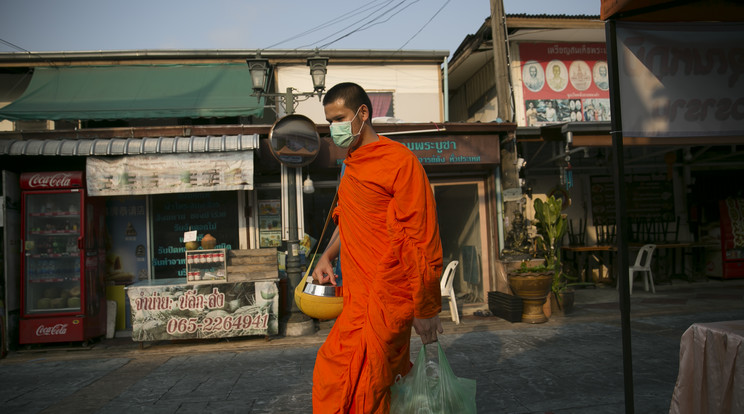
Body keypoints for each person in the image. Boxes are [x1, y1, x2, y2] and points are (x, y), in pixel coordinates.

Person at [311, 82, 444, 413]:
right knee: (331, 373)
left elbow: (420, 236)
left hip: (388, 297)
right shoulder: (352, 165)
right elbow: (349, 221)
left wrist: (426, 307)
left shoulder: (399, 162)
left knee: (373, 384)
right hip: (356, 300)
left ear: (363, 113)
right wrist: (327, 255)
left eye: (339, 118)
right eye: (329, 122)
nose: (334, 129)